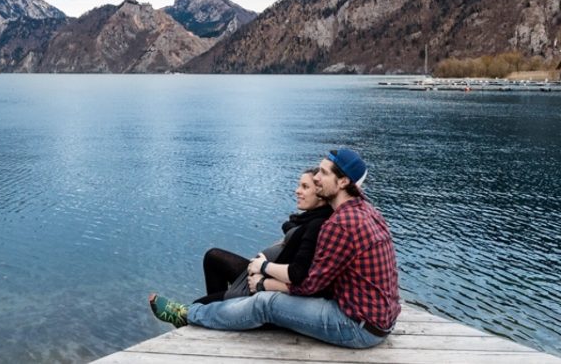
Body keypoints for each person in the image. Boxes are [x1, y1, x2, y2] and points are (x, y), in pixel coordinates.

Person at [149, 148, 400, 349]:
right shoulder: (366, 210)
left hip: (356, 326)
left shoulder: (340, 224)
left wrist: (263, 282)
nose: (316, 178)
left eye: (323, 173)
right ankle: (204, 316)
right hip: (377, 318)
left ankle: (188, 315)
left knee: (265, 304)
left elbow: (307, 285)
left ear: (344, 181)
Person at [191, 168, 333, 305]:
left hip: (262, 283)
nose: (297, 191)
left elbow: (298, 273)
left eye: (305, 187)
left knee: (198, 305)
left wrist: (264, 267)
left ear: (320, 194)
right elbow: (291, 228)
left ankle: (219, 309)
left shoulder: (317, 225)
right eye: (299, 186)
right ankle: (220, 310)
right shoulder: (310, 218)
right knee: (213, 257)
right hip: (262, 274)